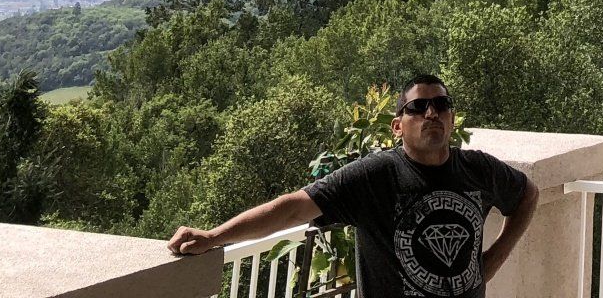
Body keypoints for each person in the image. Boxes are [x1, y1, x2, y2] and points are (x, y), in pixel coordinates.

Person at [167, 74, 537, 298]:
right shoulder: (374, 176)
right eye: (417, 107)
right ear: (397, 127)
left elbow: (527, 194)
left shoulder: (479, 168)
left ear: (452, 118)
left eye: (441, 104)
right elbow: (293, 207)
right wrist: (215, 236)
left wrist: (497, 255)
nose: (430, 113)